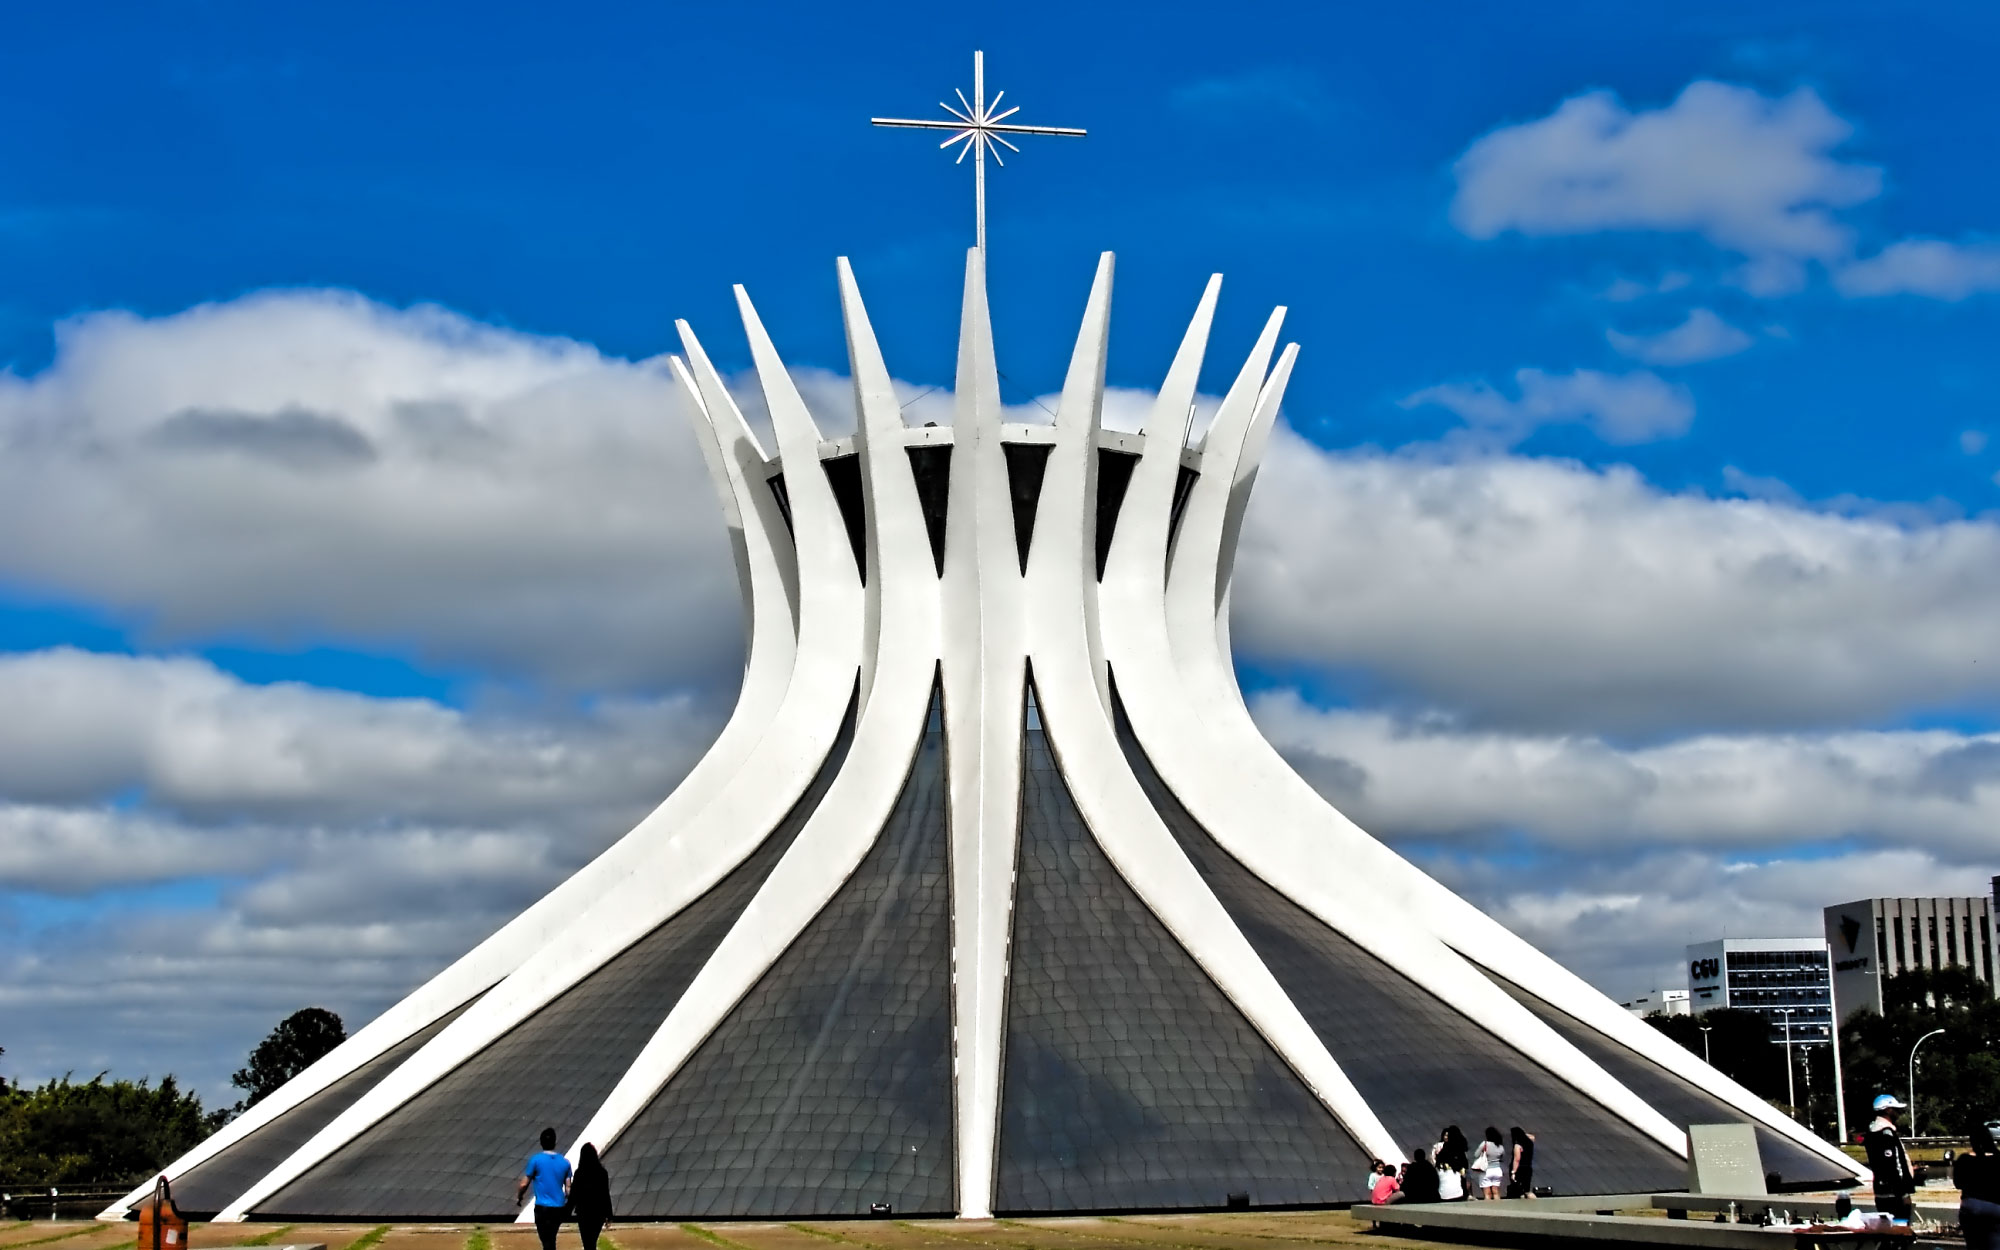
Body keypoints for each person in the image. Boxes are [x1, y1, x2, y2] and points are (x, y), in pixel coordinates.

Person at [516, 1127, 573, 1250]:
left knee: (546, 1240)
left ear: (541, 1142)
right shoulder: (565, 1162)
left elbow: (524, 1184)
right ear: (554, 1142)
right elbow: (568, 1188)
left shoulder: (535, 1160)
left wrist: (520, 1196)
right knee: (551, 1238)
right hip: (558, 1207)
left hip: (542, 1207)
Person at [1863, 1094, 1916, 1222]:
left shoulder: (1871, 1133)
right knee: (1899, 1230)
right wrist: (1903, 1193)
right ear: (1888, 1110)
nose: (1899, 1113)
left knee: (1886, 1229)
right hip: (1894, 1193)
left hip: (1880, 1190)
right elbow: (1892, 1165)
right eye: (1895, 1109)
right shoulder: (1886, 1134)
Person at [1955, 1119, 2000, 1250]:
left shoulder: (1964, 1159)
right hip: (1995, 1207)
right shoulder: (1998, 1159)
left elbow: (1958, 1184)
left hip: (1971, 1206)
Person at [569, 1143, 613, 1250]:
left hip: (583, 1213)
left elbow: (574, 1194)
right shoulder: (602, 1172)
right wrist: (609, 1215)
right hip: (598, 1213)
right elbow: (605, 1194)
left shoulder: (579, 1173)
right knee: (592, 1240)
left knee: (587, 1242)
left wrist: (566, 1211)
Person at [1435, 1126, 1469, 1201]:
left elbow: (1440, 1158)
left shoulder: (1447, 1146)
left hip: (1448, 1171)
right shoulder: (1461, 1144)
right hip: (1460, 1169)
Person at [1472, 1126, 1507, 1200]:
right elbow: (1503, 1158)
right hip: (1497, 1170)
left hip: (1486, 1171)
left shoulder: (1485, 1144)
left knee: (1487, 1193)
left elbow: (1476, 1155)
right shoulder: (1500, 1146)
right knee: (1496, 1192)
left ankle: (1488, 1210)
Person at [1506, 1125, 1537, 1199]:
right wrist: (1523, 1134)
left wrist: (1513, 1172)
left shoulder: (1517, 1145)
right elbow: (1532, 1137)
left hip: (1519, 1169)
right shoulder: (1530, 1143)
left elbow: (1517, 1159)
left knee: (1518, 1190)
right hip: (1528, 1167)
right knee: (1527, 1189)